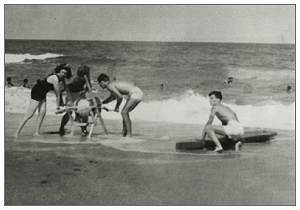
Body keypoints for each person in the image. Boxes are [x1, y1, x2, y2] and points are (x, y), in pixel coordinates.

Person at [14, 64, 72, 138]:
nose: (63, 74)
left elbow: (66, 89)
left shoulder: (62, 78)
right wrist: (58, 107)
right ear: (59, 71)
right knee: (30, 114)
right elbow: (57, 94)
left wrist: (70, 99)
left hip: (43, 93)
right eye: (62, 72)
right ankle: (16, 133)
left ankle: (36, 132)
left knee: (42, 112)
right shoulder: (55, 79)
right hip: (37, 91)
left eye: (65, 73)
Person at [59, 65, 91, 136]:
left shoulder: (85, 78)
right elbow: (65, 86)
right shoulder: (74, 79)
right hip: (71, 95)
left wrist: (84, 90)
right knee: (69, 113)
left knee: (83, 112)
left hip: (79, 95)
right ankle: (61, 128)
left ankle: (84, 129)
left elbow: (89, 88)